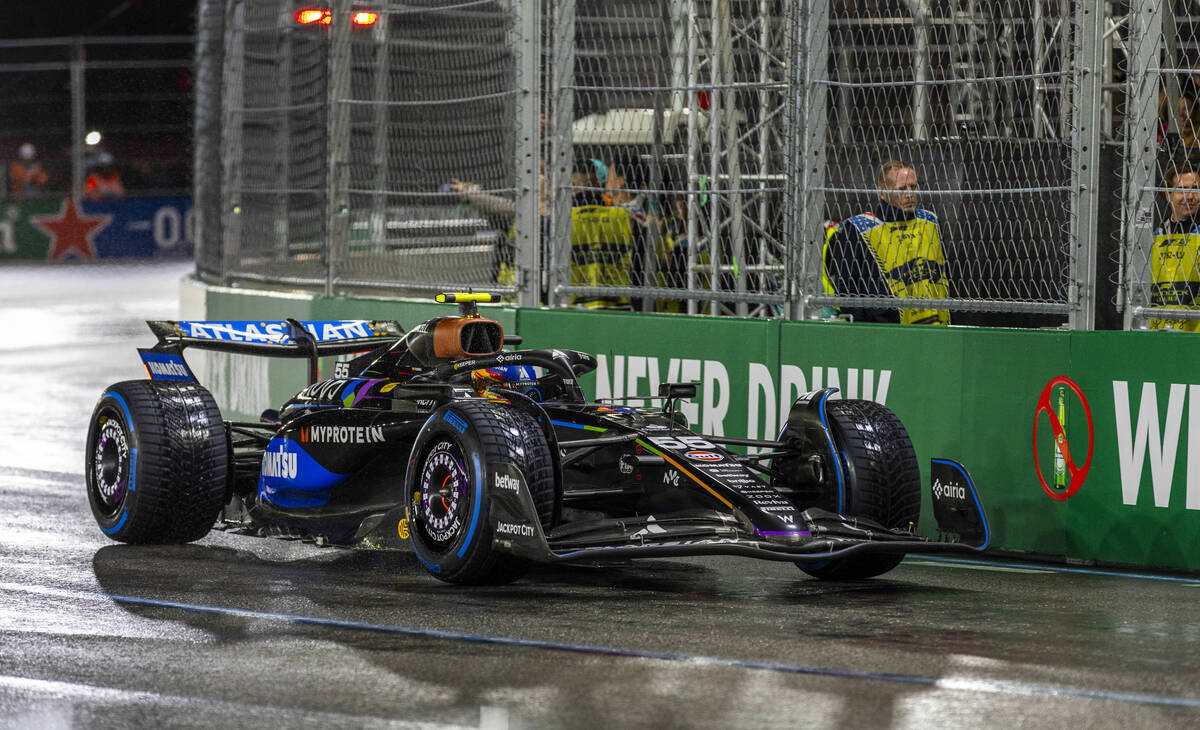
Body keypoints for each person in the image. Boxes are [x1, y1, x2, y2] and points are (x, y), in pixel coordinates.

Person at [823, 160, 950, 325]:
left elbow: (944, 271)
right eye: (902, 189)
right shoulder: (860, 228)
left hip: (933, 323)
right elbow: (847, 286)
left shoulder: (930, 221)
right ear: (882, 192)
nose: (909, 194)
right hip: (883, 328)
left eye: (913, 187)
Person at [1149, 163, 1200, 331]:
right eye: (1182, 189)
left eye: (1195, 189)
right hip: (1158, 329)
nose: (1190, 196)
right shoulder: (1156, 235)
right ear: (1168, 195)